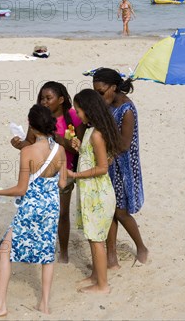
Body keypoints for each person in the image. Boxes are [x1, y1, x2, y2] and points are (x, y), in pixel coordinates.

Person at [0, 104, 67, 317]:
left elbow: (21, 188)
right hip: (51, 206)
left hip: (30, 207)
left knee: (5, 249)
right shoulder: (60, 150)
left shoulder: (27, 151)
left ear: (31, 126)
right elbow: (63, 183)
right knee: (47, 253)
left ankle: (0, 305)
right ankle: (44, 304)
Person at [10, 82, 85, 263]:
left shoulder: (73, 117)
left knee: (62, 213)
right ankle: (41, 248)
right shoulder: (38, 117)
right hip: (40, 175)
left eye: (48, 98)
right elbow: (29, 141)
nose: (44, 102)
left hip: (64, 171)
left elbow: (79, 148)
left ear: (60, 100)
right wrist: (19, 145)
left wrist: (58, 139)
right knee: (42, 212)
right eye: (42, 98)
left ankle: (64, 252)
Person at [92, 68, 149, 267]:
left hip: (124, 166)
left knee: (121, 212)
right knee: (109, 210)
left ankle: (141, 247)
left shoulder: (127, 109)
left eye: (100, 92)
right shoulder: (108, 104)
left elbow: (125, 144)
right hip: (108, 163)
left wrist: (106, 153)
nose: (99, 97)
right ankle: (111, 256)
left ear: (113, 88)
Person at [67, 89, 121, 294]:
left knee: (97, 239)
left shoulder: (97, 134)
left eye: (79, 111)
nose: (77, 114)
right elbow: (96, 156)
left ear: (88, 110)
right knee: (92, 236)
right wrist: (80, 146)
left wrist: (74, 175)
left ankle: (102, 285)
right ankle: (96, 276)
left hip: (97, 192)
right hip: (91, 192)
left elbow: (102, 168)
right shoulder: (91, 130)